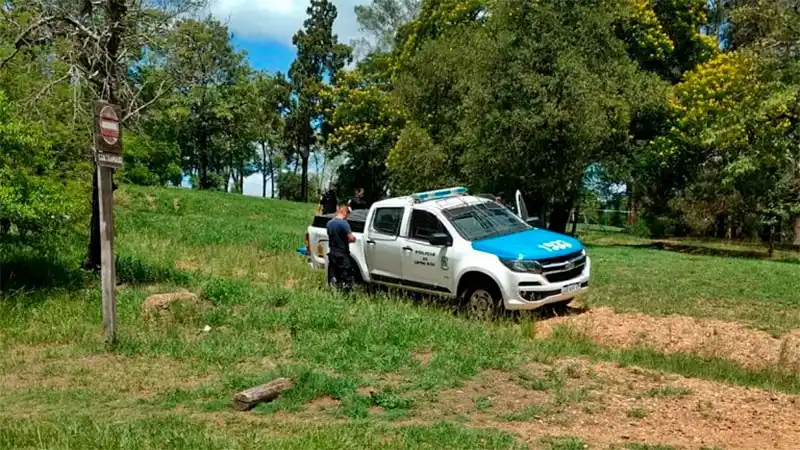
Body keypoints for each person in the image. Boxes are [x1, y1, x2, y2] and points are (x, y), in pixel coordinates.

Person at [326, 203, 357, 291]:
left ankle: (333, 290)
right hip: (342, 253)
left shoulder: (329, 223)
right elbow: (350, 238)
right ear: (345, 212)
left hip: (332, 253)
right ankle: (346, 293)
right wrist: (353, 239)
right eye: (348, 214)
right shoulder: (344, 224)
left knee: (334, 274)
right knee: (346, 274)